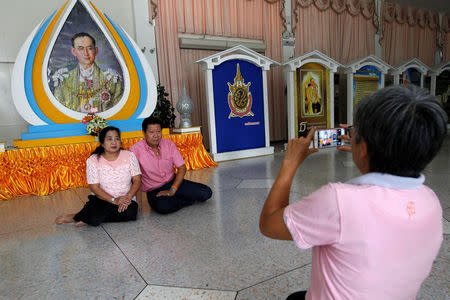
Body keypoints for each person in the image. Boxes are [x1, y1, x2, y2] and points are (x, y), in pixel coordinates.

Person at [260, 85, 447, 299]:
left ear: (364, 147)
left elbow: (268, 224)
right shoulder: (431, 201)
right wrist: (368, 152)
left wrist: (290, 163)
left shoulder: (339, 200)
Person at [55, 126, 141, 226]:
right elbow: (94, 187)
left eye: (117, 139)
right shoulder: (93, 160)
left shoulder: (129, 155)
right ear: (102, 143)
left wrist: (128, 197)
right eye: (109, 139)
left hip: (126, 199)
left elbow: (137, 179)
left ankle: (86, 217)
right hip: (103, 199)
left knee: (131, 213)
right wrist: (114, 200)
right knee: (98, 211)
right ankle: (82, 216)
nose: (114, 142)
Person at [130, 116, 212, 214]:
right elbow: (135, 178)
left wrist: (173, 189)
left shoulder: (168, 144)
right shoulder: (135, 150)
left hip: (174, 182)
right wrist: (138, 202)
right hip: (154, 190)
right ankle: (185, 199)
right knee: (163, 206)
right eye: (151, 132)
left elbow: (182, 168)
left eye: (158, 131)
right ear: (144, 133)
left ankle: (175, 195)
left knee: (206, 192)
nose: (156, 135)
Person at [52, 32, 123, 113]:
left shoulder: (111, 79)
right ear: (74, 51)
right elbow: (59, 111)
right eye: (80, 48)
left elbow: (118, 110)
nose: (85, 53)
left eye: (89, 48)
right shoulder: (63, 80)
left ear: (96, 51)